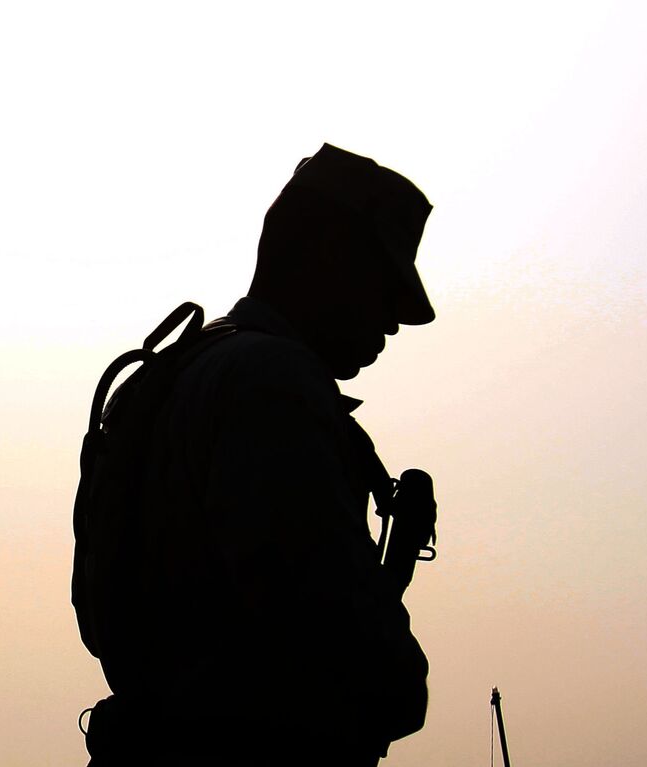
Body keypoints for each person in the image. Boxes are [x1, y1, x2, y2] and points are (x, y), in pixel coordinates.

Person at [75, 144, 436, 766]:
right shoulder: (272, 382)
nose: (394, 321)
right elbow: (329, 626)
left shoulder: (187, 371)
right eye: (383, 284)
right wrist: (399, 677)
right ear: (329, 256)